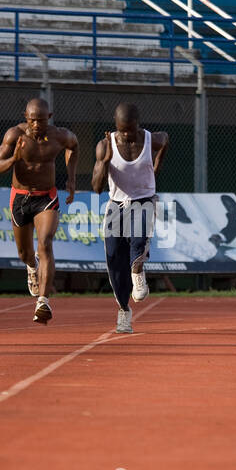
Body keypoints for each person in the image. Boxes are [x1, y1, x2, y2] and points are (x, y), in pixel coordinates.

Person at [0, 97, 78, 323]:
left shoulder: (59, 135)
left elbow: (74, 146)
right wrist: (14, 159)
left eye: (41, 120)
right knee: (25, 254)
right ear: (25, 117)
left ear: (49, 118)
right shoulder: (14, 135)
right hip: (20, 198)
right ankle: (32, 266)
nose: (36, 125)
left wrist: (71, 179)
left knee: (45, 243)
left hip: (46, 198)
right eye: (32, 121)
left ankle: (43, 302)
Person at [91, 102, 169, 333]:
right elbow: (96, 188)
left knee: (138, 242)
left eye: (131, 129)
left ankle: (138, 271)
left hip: (144, 199)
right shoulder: (105, 145)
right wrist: (104, 162)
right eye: (122, 130)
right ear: (115, 126)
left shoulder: (149, 140)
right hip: (116, 204)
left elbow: (165, 139)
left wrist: (157, 163)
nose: (127, 135)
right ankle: (124, 310)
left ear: (138, 124)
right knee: (114, 257)